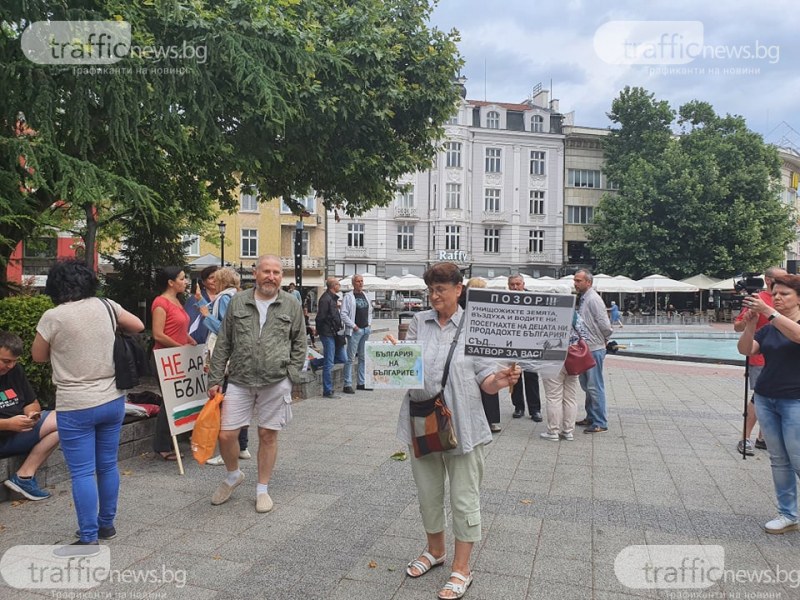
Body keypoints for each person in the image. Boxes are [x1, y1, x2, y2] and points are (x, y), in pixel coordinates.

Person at [386, 262, 520, 600]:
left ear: (458, 289)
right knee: (428, 494)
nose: (434, 296)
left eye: (441, 290)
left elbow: (487, 380)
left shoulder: (476, 325)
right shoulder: (419, 322)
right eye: (430, 290)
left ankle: (462, 568)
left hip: (464, 426)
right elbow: (409, 370)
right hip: (422, 421)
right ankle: (436, 551)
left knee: (464, 498)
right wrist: (393, 357)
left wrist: (501, 380)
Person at [32, 260, 144, 556]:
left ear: (55, 286)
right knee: (107, 464)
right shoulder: (107, 305)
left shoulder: (53, 316)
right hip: (112, 399)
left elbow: (39, 356)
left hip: (75, 404)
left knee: (82, 472)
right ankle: (107, 524)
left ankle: (89, 538)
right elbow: (138, 325)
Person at [206, 255, 306, 513]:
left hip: (275, 381)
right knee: (227, 433)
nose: (271, 277)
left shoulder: (291, 305)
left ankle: (262, 489)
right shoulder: (239, 301)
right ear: (255, 273)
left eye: (276, 272)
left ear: (281, 277)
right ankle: (233, 476)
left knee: (267, 434)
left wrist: (290, 376)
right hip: (240, 378)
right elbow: (224, 341)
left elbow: (300, 343)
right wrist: (215, 378)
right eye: (266, 271)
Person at [737, 274, 800, 534]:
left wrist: (770, 311)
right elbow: (746, 349)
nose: (777, 297)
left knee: (797, 457)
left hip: (795, 399)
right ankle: (788, 514)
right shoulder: (770, 326)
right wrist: (751, 324)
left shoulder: (784, 322)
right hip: (766, 397)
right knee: (778, 459)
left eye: (784, 294)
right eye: (774, 293)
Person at [198, 268, 252, 466]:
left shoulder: (223, 298)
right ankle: (243, 446)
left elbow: (224, 330)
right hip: (240, 357)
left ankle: (227, 451)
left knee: (226, 403)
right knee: (240, 400)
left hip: (226, 356)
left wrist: (206, 315)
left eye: (215, 279)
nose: (213, 282)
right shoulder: (239, 296)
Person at [0, 331, 59, 500]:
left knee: (64, 424)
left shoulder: (15, 371)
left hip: (18, 433)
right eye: (6, 361)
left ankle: (24, 476)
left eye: (14, 361)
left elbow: (31, 402)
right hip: (5, 434)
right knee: (65, 420)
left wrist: (32, 415)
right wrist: (8, 424)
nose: (10, 366)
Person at [733, 267, 786, 455]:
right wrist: (749, 322)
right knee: (759, 397)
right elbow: (738, 326)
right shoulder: (758, 299)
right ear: (769, 280)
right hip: (760, 355)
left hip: (784, 356)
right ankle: (745, 437)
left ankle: (763, 438)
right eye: (782, 278)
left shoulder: (790, 298)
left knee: (777, 397)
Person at [151, 266, 196, 460]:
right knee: (169, 401)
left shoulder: (177, 301)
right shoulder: (160, 302)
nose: (185, 282)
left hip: (177, 357)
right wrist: (180, 346)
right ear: (171, 282)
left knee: (178, 399)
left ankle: (175, 439)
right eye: (182, 279)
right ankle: (162, 445)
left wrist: (189, 340)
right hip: (164, 357)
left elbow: (177, 327)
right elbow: (158, 334)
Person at [573, 269, 613, 433]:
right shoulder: (584, 298)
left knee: (595, 385)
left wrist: (605, 337)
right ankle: (591, 416)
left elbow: (604, 323)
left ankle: (600, 421)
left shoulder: (593, 299)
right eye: (575, 280)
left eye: (578, 281)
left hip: (594, 347)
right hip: (586, 347)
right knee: (587, 385)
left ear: (588, 282)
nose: (575, 283)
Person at [460, 278, 501, 433]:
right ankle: (491, 420)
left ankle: (477, 418)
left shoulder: (461, 304)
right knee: (488, 379)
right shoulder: (489, 305)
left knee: (474, 381)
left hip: (469, 346)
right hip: (484, 346)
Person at [540, 312, 587, 442]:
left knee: (553, 396)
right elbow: (585, 336)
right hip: (573, 358)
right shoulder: (576, 316)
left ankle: (553, 431)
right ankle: (568, 431)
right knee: (570, 397)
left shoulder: (546, 315)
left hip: (552, 358)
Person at [507, 274, 542, 422]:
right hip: (511, 344)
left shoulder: (533, 300)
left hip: (529, 344)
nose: (515, 287)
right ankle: (518, 406)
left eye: (517, 284)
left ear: (523, 284)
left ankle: (535, 409)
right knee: (514, 377)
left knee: (531, 376)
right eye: (512, 285)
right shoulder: (505, 300)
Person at [310, 277, 348, 398]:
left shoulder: (332, 298)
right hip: (327, 333)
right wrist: (318, 330)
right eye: (338, 284)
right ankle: (328, 390)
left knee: (343, 358)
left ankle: (315, 362)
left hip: (336, 333)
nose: (339, 286)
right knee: (329, 363)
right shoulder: (325, 299)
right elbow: (320, 317)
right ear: (333, 286)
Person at [341, 274, 373, 394]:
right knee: (350, 358)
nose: (360, 283)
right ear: (353, 283)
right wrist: (353, 326)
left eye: (362, 281)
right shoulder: (348, 297)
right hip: (355, 330)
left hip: (365, 329)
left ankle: (361, 382)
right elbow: (343, 314)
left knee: (363, 357)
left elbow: (370, 311)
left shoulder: (366, 295)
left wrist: (369, 324)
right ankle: (347, 384)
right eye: (358, 281)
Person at [184, 265, 218, 344]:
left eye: (217, 277)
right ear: (203, 282)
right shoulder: (194, 299)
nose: (215, 280)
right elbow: (189, 322)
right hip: (199, 344)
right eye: (211, 278)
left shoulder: (224, 297)